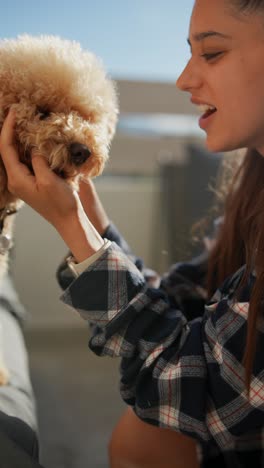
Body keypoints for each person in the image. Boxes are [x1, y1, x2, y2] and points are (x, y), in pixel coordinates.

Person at [1, 0, 264, 466]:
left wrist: (75, 230)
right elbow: (182, 302)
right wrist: (90, 220)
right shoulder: (252, 196)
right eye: (189, 54)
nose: (184, 79)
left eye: (213, 53)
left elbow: (195, 391)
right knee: (136, 438)